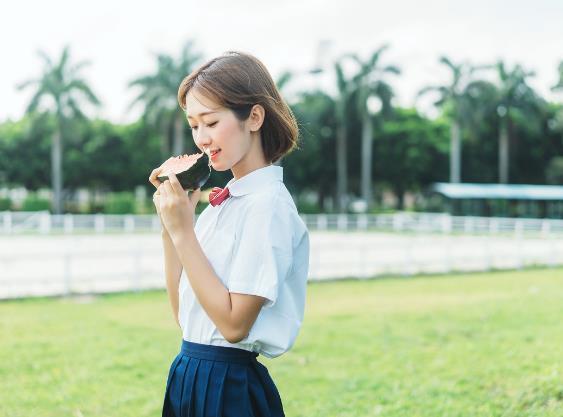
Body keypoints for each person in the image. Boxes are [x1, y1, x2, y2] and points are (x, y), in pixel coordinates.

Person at [149, 51, 310, 417]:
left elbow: (234, 325)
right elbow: (185, 317)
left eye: (211, 121)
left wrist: (184, 232)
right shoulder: (225, 205)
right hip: (189, 370)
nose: (201, 138)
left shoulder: (267, 207)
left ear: (254, 117)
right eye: (194, 125)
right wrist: (171, 228)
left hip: (227, 387)